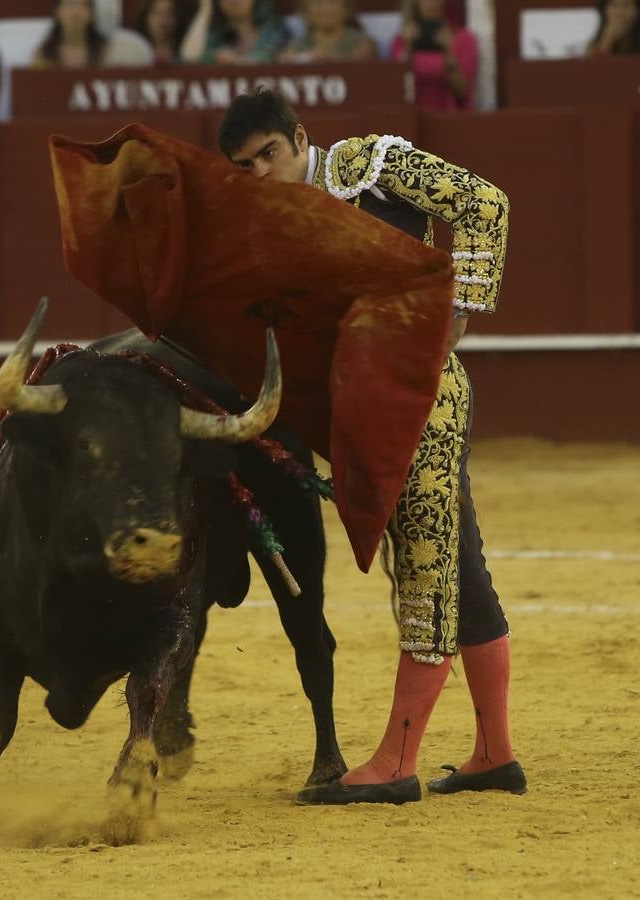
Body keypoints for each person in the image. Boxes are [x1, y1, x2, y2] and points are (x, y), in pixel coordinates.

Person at [217, 88, 526, 804]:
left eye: (270, 153)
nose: (263, 171)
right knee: (460, 564)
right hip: (365, 408)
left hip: (421, 397)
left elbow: (485, 204)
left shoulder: (366, 163)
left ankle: (396, 763)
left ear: (299, 139)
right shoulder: (271, 228)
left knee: (422, 561)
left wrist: (461, 313)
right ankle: (493, 753)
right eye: (246, 165)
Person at [391, 0, 478, 111]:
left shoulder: (464, 39)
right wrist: (407, 49)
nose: (431, 2)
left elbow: (462, 91)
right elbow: (395, 88)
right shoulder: (401, 39)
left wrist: (449, 53)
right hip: (411, 118)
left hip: (449, 118)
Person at [179, 0, 288, 64]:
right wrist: (205, 9)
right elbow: (189, 57)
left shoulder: (276, 28)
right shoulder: (215, 36)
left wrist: (237, 61)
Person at [279, 0, 376, 63]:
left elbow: (360, 63)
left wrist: (327, 60)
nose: (325, 10)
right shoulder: (298, 44)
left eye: (332, 3)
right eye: (318, 4)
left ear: (346, 9)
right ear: (305, 12)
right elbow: (285, 59)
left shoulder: (362, 42)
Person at [32, 0, 109, 68]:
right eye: (69, 4)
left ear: (92, 14)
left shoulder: (107, 52)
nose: (75, 13)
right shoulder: (43, 55)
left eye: (82, 5)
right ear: (58, 11)